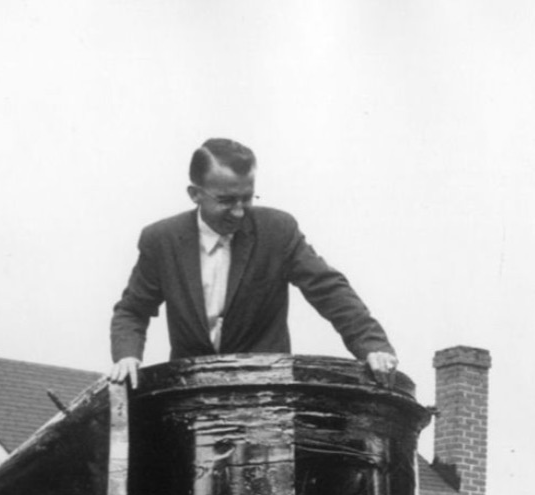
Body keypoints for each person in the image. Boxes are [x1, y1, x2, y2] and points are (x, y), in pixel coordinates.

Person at [108, 138, 398, 388]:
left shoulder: (278, 230)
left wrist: (372, 346)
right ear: (194, 194)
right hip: (192, 392)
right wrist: (127, 356)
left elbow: (329, 290)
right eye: (226, 200)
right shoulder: (161, 240)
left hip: (266, 392)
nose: (238, 212)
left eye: (246, 199)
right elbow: (132, 310)